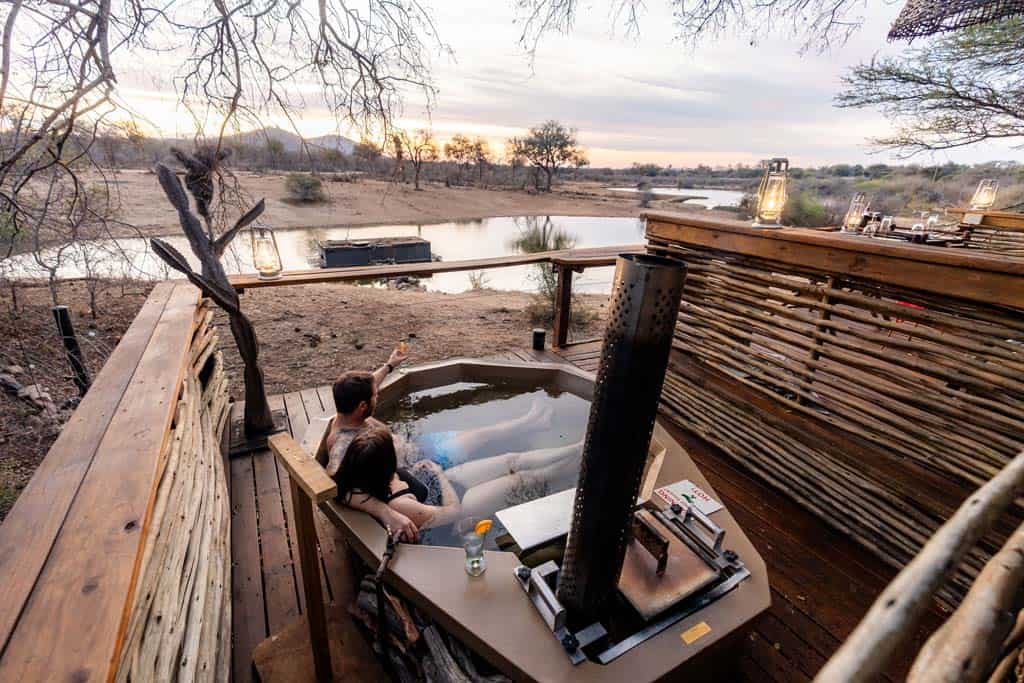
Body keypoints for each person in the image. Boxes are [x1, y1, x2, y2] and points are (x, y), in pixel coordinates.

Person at [336, 426, 583, 532]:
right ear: (384, 464)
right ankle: (575, 469)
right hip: (463, 502)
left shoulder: (357, 479)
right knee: (525, 478)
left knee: (512, 459)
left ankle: (576, 449)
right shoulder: (401, 506)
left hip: (440, 478)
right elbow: (452, 512)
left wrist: (424, 470)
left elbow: (337, 486)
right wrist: (440, 475)